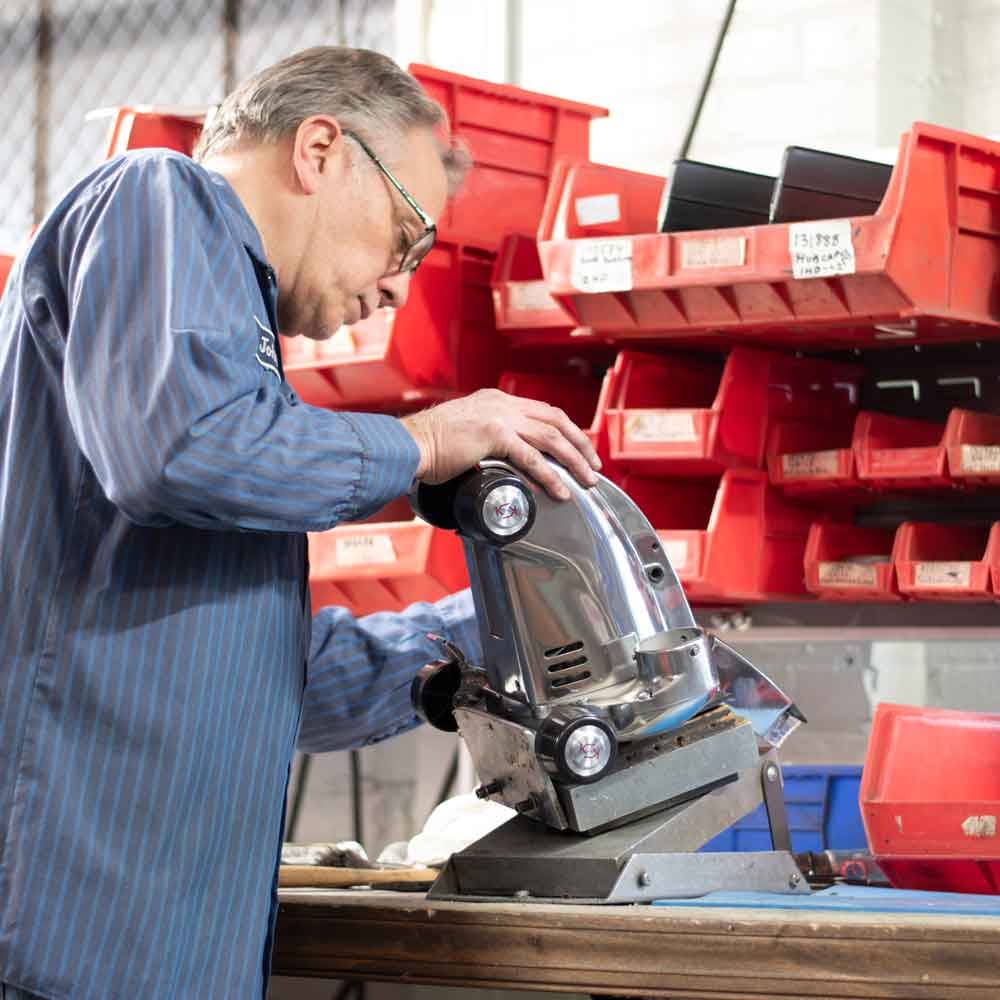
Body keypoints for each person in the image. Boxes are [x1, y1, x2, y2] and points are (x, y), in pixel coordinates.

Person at [0, 46, 600, 999]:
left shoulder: (230, 373)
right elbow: (184, 447)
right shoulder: (162, 198)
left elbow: (247, 679)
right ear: (320, 149)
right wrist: (425, 443)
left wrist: (460, 649)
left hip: (156, 946)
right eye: (408, 235)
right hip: (78, 935)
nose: (402, 283)